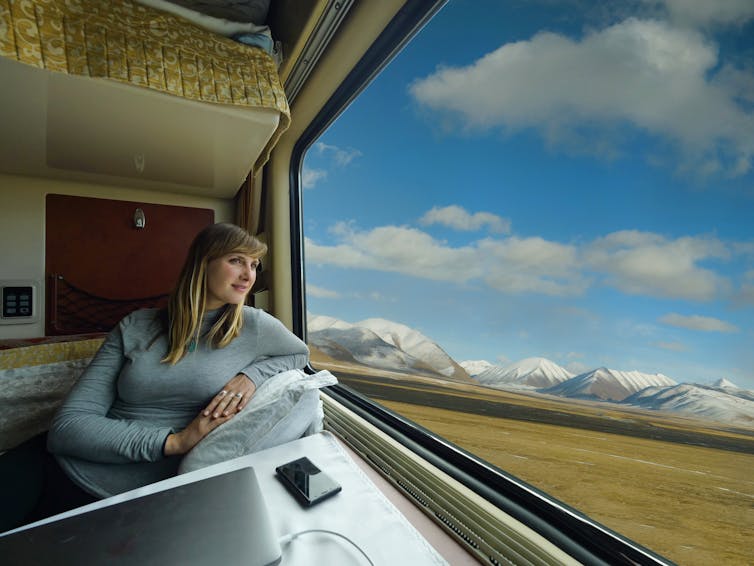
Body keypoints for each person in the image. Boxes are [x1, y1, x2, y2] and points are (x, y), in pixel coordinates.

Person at [1, 223, 309, 530]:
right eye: (236, 260)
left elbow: (299, 354)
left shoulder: (255, 327)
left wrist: (250, 376)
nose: (248, 275)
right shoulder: (136, 325)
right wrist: (174, 442)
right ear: (203, 263)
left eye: (254, 265)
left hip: (133, 498)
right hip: (52, 463)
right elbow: (67, 428)